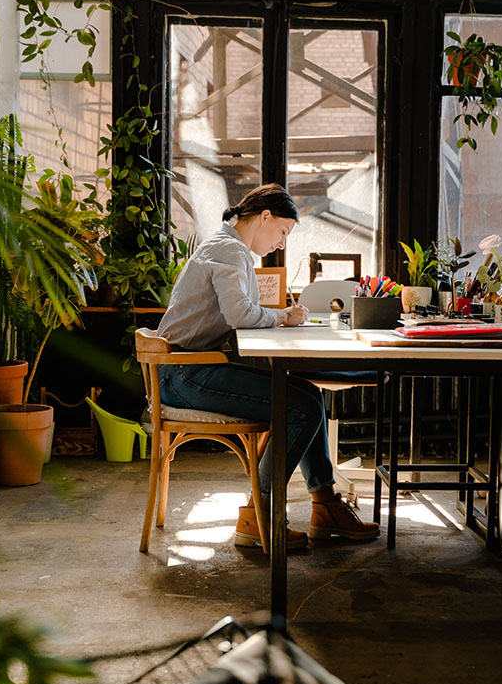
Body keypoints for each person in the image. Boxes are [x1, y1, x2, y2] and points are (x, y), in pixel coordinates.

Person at [156, 183, 380, 549]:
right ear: (264, 217)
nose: (281, 243)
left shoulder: (224, 246)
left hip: (187, 367)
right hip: (185, 373)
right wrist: (284, 317)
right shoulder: (230, 250)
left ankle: (324, 506)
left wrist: (280, 317)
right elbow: (240, 314)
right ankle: (258, 515)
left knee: (306, 394)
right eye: (283, 232)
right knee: (303, 407)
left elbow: (236, 313)